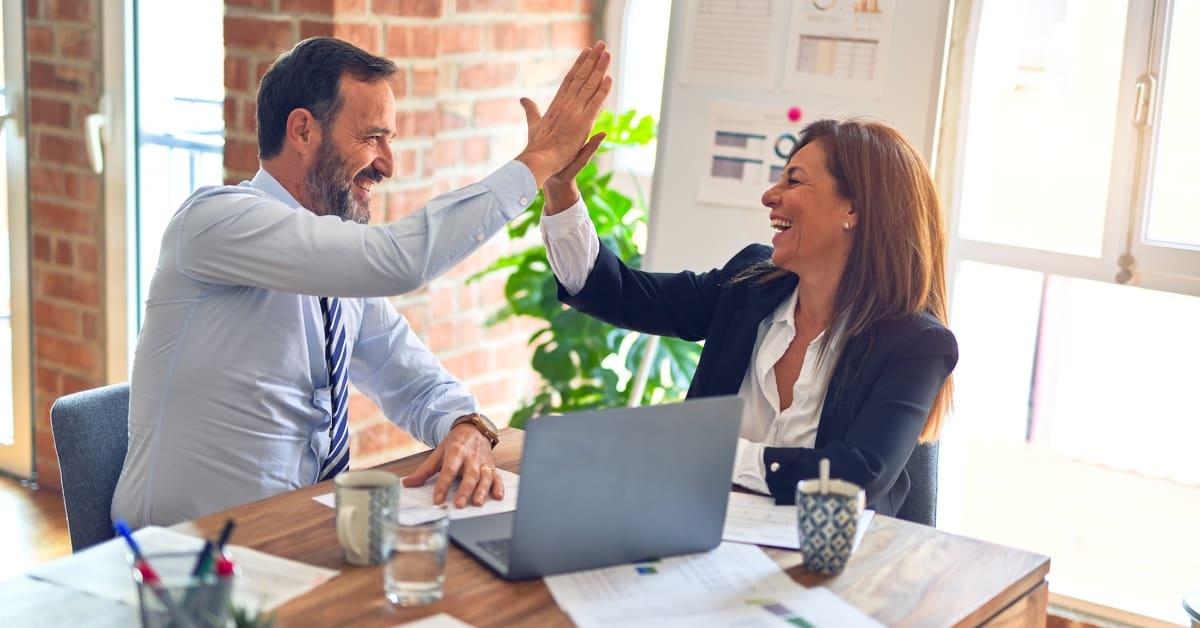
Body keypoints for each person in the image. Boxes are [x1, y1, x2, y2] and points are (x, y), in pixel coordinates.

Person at [112, 37, 612, 528]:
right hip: (183, 560)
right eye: (373, 137)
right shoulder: (215, 222)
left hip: (297, 536)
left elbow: (412, 379)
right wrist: (539, 161)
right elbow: (400, 261)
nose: (387, 164)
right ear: (303, 131)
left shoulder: (336, 268)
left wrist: (466, 425)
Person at [539, 118, 957, 516]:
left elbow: (855, 478)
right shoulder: (749, 286)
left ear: (854, 210)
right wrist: (560, 188)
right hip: (701, 535)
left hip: (831, 567)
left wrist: (712, 453)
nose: (770, 195)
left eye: (794, 180)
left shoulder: (916, 344)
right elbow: (619, 293)